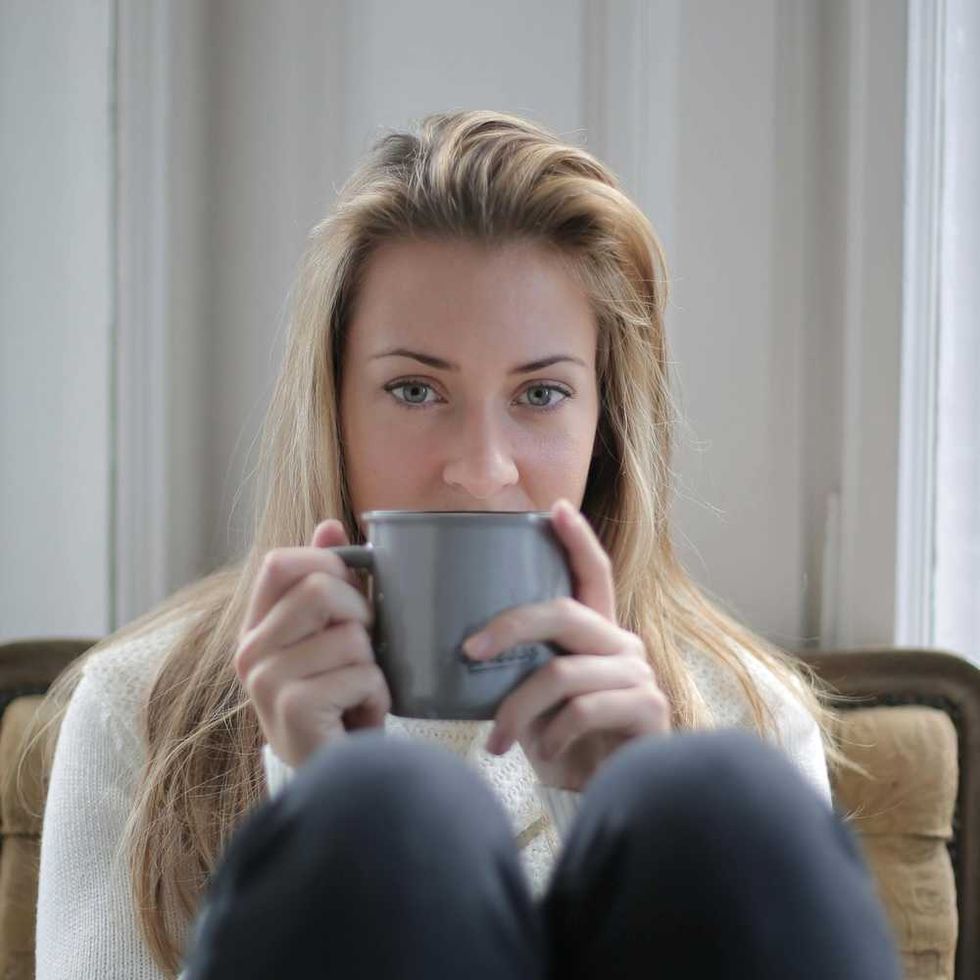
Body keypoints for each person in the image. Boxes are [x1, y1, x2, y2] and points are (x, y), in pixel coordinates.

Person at [26, 110, 901, 979]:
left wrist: (617, 816)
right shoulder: (139, 708)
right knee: (389, 809)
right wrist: (317, 802)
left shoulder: (741, 708)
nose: (482, 469)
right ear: (332, 411)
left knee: (720, 793)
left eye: (542, 395)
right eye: (413, 389)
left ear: (607, 423)